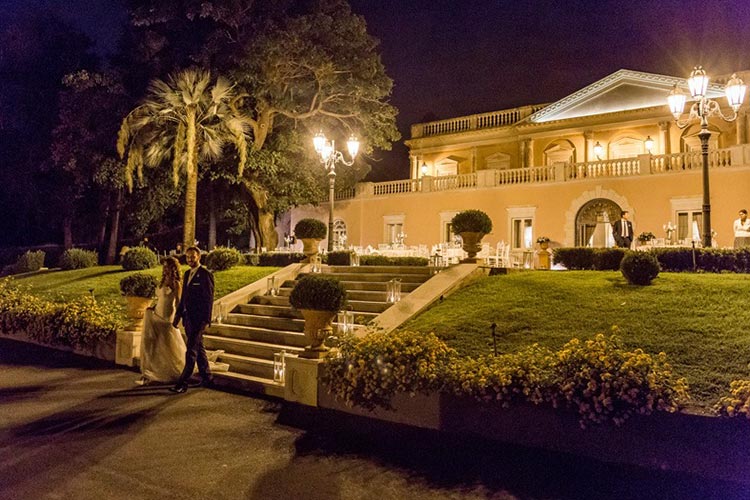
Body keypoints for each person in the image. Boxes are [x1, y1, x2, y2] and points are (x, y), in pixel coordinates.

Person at [170, 247, 215, 394]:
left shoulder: (205, 275)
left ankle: (182, 383)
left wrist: (206, 320)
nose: (190, 259)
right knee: (199, 348)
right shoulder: (188, 273)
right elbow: (183, 299)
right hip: (188, 319)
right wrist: (178, 317)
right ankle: (207, 377)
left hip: (199, 320)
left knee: (191, 351)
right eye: (188, 257)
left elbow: (209, 299)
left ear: (199, 257)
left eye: (193, 257)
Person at [136, 257, 186, 386]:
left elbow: (179, 302)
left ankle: (172, 370)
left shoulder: (176, 283)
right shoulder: (162, 281)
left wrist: (177, 319)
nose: (165, 269)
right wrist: (152, 308)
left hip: (167, 315)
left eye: (167, 266)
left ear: (173, 268)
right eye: (164, 267)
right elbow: (160, 299)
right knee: (153, 344)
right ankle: (150, 372)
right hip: (157, 312)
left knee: (168, 344)